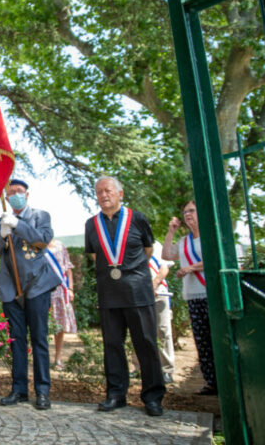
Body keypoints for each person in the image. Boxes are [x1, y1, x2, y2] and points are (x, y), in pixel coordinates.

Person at [84, 176, 165, 417]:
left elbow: (148, 249)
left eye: (108, 190)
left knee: (146, 343)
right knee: (112, 346)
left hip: (138, 291)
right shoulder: (91, 223)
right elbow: (93, 255)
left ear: (120, 193)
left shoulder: (137, 218)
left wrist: (129, 268)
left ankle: (153, 397)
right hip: (109, 293)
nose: (103, 195)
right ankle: (116, 394)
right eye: (99, 192)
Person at [0, 179, 59, 410]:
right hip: (11, 290)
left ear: (27, 195)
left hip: (36, 286)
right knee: (17, 341)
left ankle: (42, 391)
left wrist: (17, 225)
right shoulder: (1, 219)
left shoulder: (41, 215)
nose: (16, 195)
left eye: (19, 192)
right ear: (6, 199)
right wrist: (3, 231)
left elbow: (42, 240)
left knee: (39, 340)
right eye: (11, 193)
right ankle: (18, 389)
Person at [162, 200, 217, 396]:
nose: (188, 215)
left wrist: (191, 268)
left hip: (212, 294)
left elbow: (215, 258)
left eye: (192, 211)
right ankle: (211, 381)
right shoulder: (184, 242)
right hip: (193, 296)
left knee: (218, 338)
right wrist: (171, 232)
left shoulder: (211, 237)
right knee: (202, 341)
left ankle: (226, 380)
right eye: (185, 212)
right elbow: (167, 254)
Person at [131, 242, 175, 384]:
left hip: (158, 294)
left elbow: (164, 268)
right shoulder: (127, 244)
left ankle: (166, 370)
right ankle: (139, 367)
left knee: (162, 331)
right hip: (136, 294)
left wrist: (154, 283)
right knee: (137, 330)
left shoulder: (156, 244)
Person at [47, 239, 77, 370]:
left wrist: (70, 289)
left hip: (60, 291)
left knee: (59, 327)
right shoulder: (35, 246)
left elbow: (68, 270)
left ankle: (57, 359)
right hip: (43, 291)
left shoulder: (60, 246)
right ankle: (42, 358)